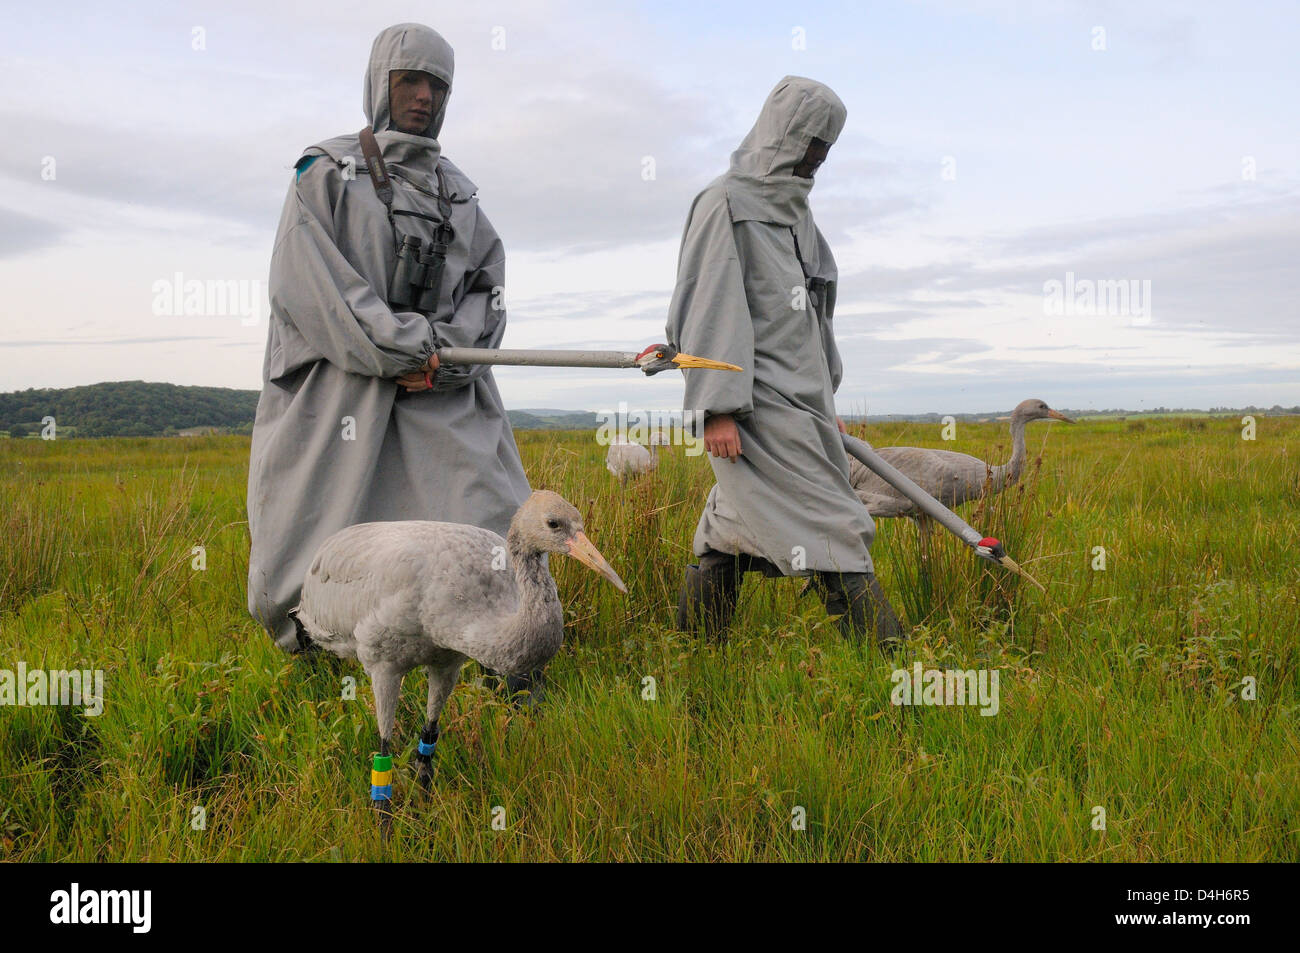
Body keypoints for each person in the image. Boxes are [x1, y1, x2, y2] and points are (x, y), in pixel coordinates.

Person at [247, 24, 539, 695]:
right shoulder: (322, 175)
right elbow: (315, 287)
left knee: (488, 511)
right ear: (379, 84)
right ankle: (324, 652)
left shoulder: (461, 196)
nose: (424, 97)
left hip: (442, 390)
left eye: (437, 84)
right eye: (409, 80)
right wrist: (403, 345)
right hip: (343, 394)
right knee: (332, 528)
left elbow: (486, 294)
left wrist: (446, 357)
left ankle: (503, 656)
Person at [665, 76, 905, 647]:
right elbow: (708, 304)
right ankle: (890, 664)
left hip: (802, 401)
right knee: (836, 524)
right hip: (754, 403)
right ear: (783, 133)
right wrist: (716, 409)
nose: (817, 154)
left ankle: (696, 650)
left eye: (826, 144)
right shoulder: (723, 203)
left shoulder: (799, 216)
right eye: (810, 139)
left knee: (729, 525)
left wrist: (825, 401)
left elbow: (814, 317)